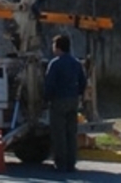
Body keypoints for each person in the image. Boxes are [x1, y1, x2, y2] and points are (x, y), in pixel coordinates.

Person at [44, 34, 86, 173]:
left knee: (59, 133)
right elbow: (83, 82)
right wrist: (78, 94)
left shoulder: (55, 63)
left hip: (58, 100)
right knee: (71, 133)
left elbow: (49, 84)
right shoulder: (76, 63)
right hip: (73, 100)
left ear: (58, 47)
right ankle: (71, 162)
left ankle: (60, 163)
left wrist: (47, 99)